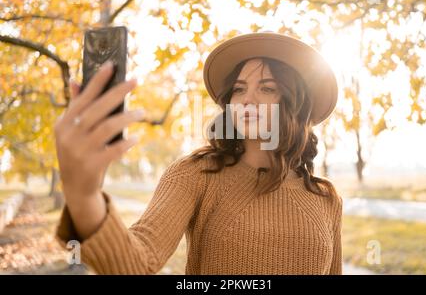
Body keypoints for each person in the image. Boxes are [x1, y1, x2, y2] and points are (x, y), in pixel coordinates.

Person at [54, 31, 342, 275]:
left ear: (296, 105)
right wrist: (84, 196)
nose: (247, 100)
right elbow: (138, 261)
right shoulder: (197, 173)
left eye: (267, 88)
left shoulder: (326, 198)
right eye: (239, 90)